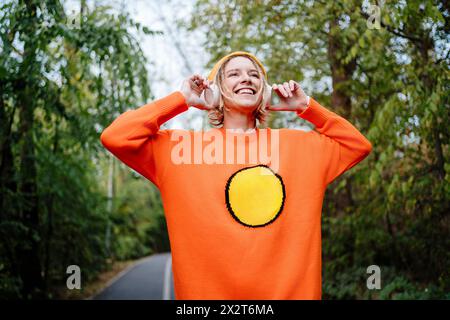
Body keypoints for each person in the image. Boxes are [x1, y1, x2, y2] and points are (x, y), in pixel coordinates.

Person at [100, 51, 372, 299]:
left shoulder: (300, 147)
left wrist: (307, 106)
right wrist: (181, 100)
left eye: (255, 75)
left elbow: (357, 145)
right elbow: (116, 136)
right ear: (215, 92)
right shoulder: (179, 149)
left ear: (264, 93)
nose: (247, 79)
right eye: (235, 74)